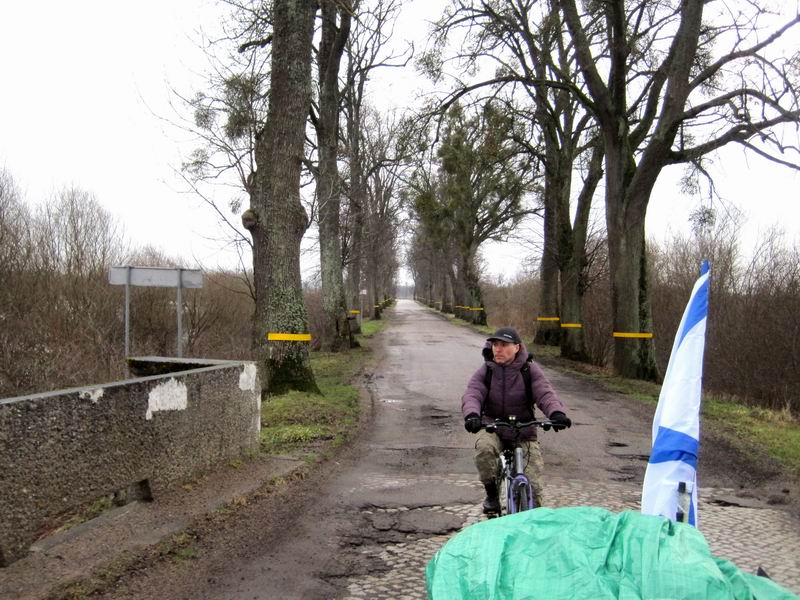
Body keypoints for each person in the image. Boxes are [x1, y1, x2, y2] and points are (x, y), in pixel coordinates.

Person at [461, 326, 571, 513]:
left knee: (534, 487)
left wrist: (556, 413)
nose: (498, 349)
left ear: (517, 348)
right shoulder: (486, 370)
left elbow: (544, 393)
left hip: (524, 430)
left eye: (504, 345)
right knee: (484, 450)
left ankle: (532, 524)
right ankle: (492, 495)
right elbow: (473, 393)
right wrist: (472, 414)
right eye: (495, 344)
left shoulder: (529, 370)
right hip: (493, 427)